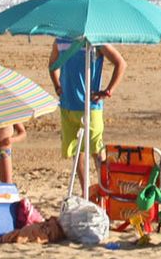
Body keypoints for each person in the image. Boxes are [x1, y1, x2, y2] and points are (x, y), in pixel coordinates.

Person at [48, 38, 126, 198]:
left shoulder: (95, 41)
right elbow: (52, 64)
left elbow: (120, 63)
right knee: (77, 152)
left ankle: (105, 189)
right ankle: (86, 192)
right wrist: (57, 85)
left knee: (97, 150)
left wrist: (108, 90)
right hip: (67, 106)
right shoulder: (61, 40)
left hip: (90, 107)